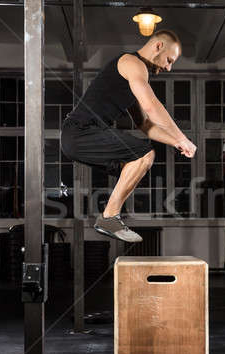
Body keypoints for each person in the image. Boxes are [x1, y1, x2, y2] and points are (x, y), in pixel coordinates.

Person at [61, 29, 197, 243]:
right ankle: (109, 217)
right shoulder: (131, 63)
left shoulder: (134, 79)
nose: (168, 67)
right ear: (158, 46)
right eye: (169, 60)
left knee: (134, 164)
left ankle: (110, 217)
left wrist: (176, 143)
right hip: (80, 131)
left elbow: (145, 124)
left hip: (82, 135)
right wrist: (182, 137)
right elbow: (152, 106)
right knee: (144, 154)